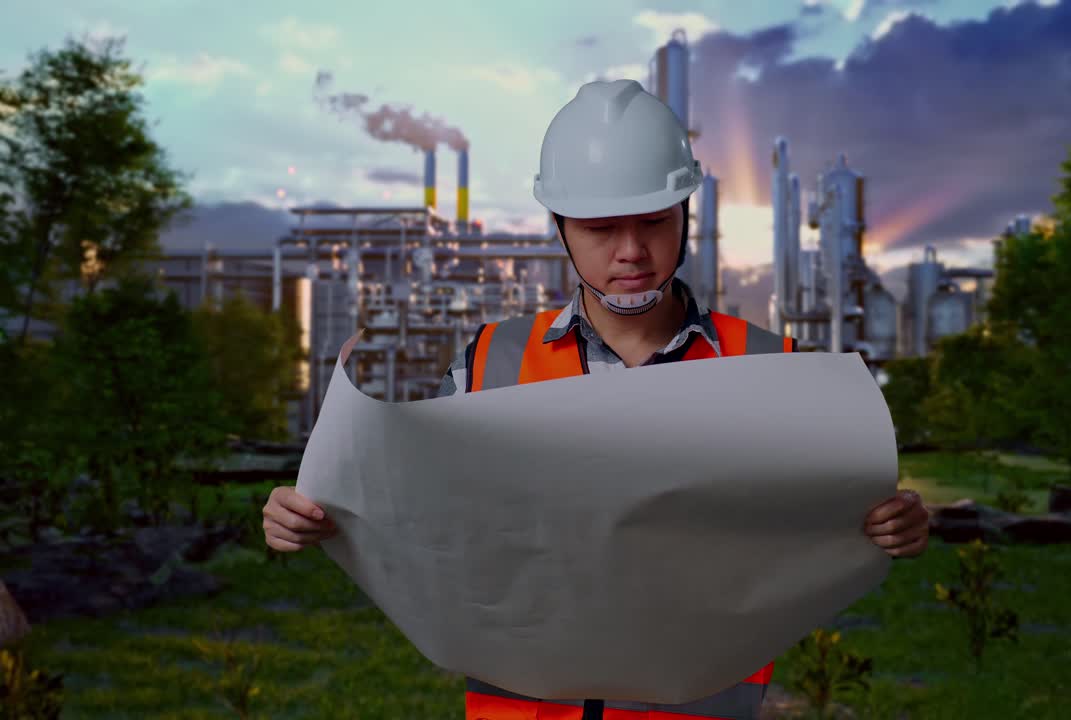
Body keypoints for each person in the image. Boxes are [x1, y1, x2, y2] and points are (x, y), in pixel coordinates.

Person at [264, 79, 930, 720]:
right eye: (601, 228)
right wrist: (321, 517)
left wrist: (887, 527)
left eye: (653, 221)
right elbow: (420, 518)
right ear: (560, 227)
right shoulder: (489, 363)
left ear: (686, 214)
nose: (632, 251)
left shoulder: (770, 369)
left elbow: (828, 521)